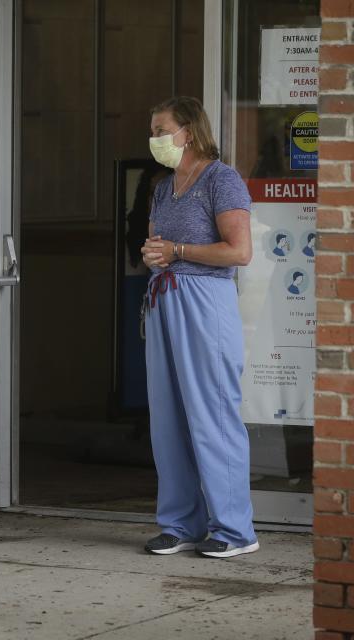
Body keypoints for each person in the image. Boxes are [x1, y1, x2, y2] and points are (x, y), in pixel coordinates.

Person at [140, 96, 259, 559]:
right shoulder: (163, 185)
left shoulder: (220, 178)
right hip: (164, 298)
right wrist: (156, 253)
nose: (154, 138)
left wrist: (177, 251)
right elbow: (157, 243)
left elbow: (239, 251)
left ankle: (234, 529)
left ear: (188, 131)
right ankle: (180, 523)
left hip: (205, 302)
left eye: (161, 128)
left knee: (212, 415)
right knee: (167, 418)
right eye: (151, 130)